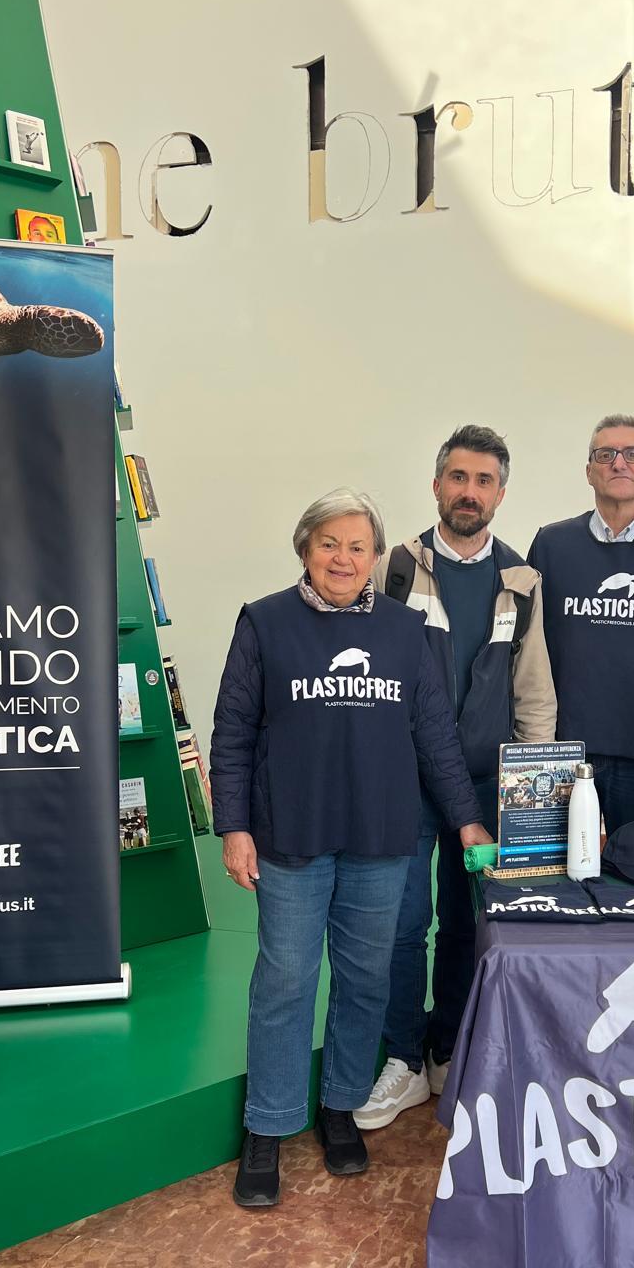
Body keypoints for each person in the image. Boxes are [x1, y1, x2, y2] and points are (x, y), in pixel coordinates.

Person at [211, 488, 490, 1209]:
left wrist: (466, 820)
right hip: (289, 835)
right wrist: (234, 828)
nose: (343, 558)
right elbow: (234, 733)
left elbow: (436, 738)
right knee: (285, 980)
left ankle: (340, 1107)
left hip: (379, 834)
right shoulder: (265, 623)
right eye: (329, 543)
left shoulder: (407, 632)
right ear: (305, 547)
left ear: (376, 557)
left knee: (365, 978)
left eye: (358, 546)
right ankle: (267, 1127)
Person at [355, 425, 557, 1130]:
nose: (470, 492)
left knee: (473, 924)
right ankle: (404, 1060)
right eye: (459, 478)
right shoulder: (393, 573)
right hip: (404, 787)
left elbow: (534, 692)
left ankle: (452, 1048)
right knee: (403, 925)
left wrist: (532, 787)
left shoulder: (522, 581)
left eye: (484, 481)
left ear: (501, 493)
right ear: (437, 484)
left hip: (488, 789)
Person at [527, 413, 634, 831]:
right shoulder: (552, 544)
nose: (619, 463)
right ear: (589, 471)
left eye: (633, 453)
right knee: (559, 884)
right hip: (564, 752)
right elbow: (527, 649)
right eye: (606, 454)